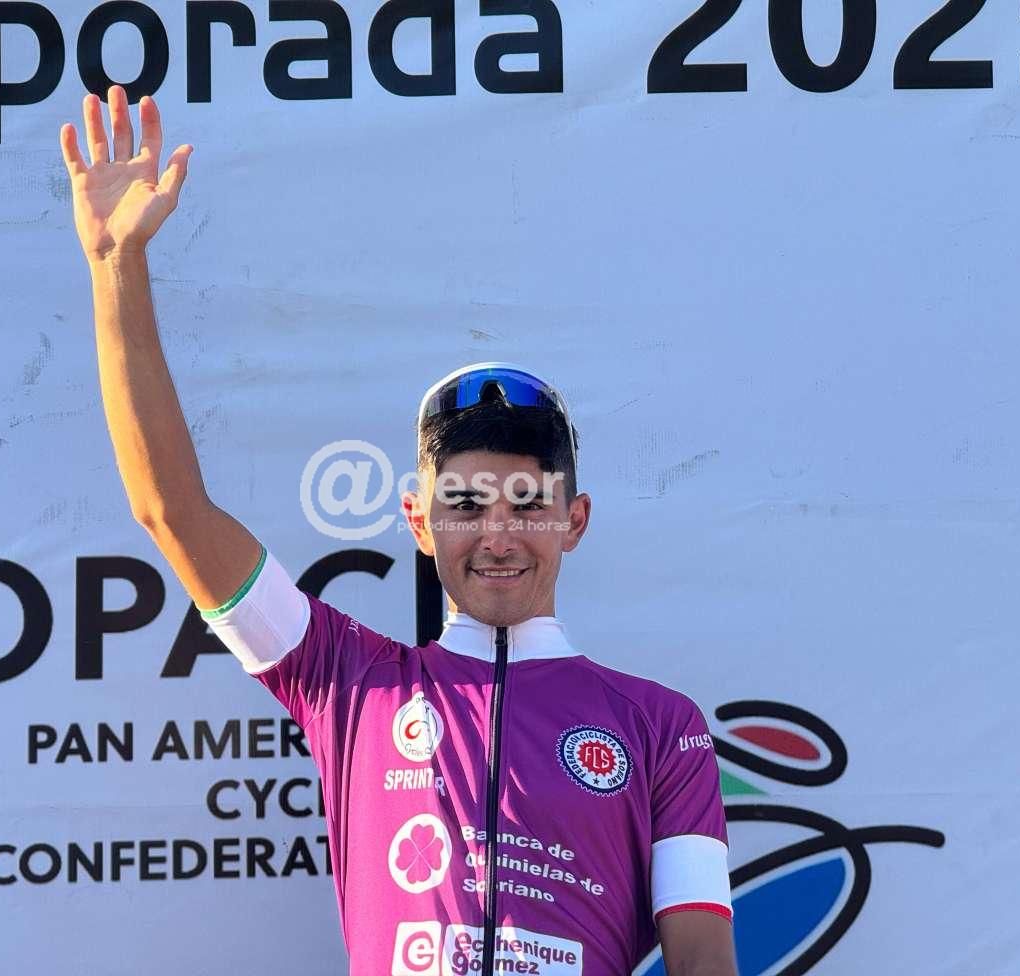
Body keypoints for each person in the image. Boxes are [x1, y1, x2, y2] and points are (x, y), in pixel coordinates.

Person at [61, 85, 738, 976]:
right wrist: (115, 267)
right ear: (419, 521)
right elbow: (172, 510)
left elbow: (703, 963)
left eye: (527, 504)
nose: (498, 535)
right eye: (466, 505)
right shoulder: (347, 681)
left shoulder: (659, 726)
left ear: (573, 521)